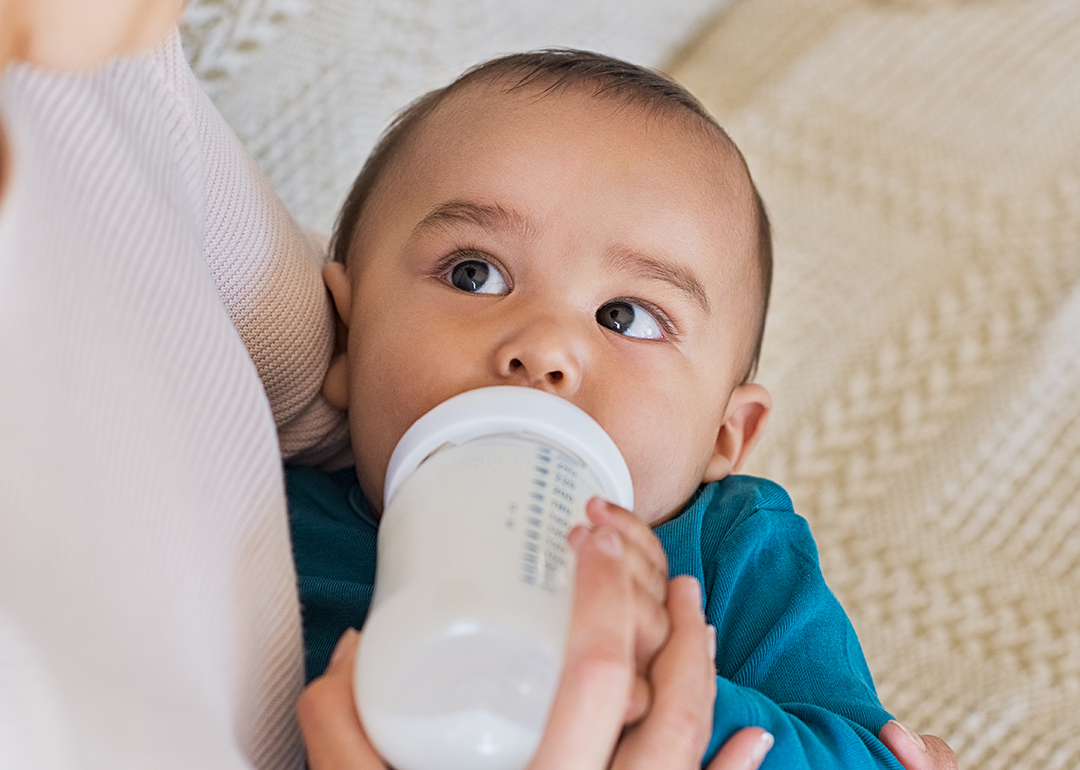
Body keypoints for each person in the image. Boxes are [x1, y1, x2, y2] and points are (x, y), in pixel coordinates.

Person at [285, 50, 958, 769]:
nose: (545, 349)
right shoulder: (274, 525)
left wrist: (672, 696)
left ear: (726, 436)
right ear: (348, 337)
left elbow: (870, 755)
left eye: (628, 316)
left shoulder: (729, 554)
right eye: (474, 274)